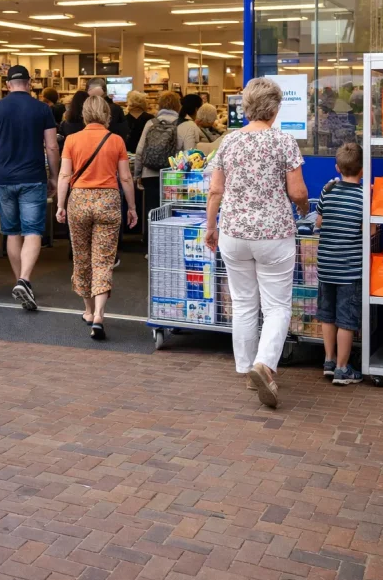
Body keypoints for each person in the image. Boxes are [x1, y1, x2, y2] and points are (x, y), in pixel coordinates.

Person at [205, 77, 308, 409]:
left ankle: (246, 367)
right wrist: (304, 208)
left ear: (246, 107)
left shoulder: (229, 142)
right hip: (273, 234)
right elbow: (297, 192)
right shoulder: (283, 142)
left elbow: (216, 190)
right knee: (277, 305)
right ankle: (264, 364)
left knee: (244, 303)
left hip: (234, 232)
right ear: (275, 108)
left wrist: (211, 226)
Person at [0, 65, 60, 311]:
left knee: (12, 232)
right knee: (32, 231)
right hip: (33, 177)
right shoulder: (43, 109)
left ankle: (21, 282)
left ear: (7, 84)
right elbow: (52, 147)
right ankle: (24, 280)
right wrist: (54, 176)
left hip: (3, 179)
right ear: (29, 83)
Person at [56, 95, 138, 339]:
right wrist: (132, 207)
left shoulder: (71, 139)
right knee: (103, 259)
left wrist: (61, 204)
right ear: (107, 115)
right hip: (108, 201)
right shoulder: (116, 141)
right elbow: (125, 178)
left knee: (81, 257)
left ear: (83, 115)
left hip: (79, 200)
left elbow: (63, 175)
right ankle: (101, 315)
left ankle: (88, 310)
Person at [315, 141, 364, 385]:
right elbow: (370, 230)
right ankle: (343, 369)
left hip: (326, 266)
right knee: (346, 319)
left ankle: (329, 360)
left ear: (337, 167)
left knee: (327, 315)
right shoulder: (364, 197)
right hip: (349, 269)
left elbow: (319, 222)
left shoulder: (328, 191)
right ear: (362, 170)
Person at [134, 90, 181, 235]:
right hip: (172, 176)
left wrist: (137, 174)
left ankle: (150, 245)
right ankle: (167, 245)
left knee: (152, 211)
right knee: (170, 211)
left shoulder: (151, 123)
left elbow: (140, 150)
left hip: (150, 173)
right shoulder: (181, 124)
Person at [87, 78, 128, 144]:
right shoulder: (116, 108)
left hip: (91, 143)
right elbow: (123, 129)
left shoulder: (87, 107)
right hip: (112, 143)